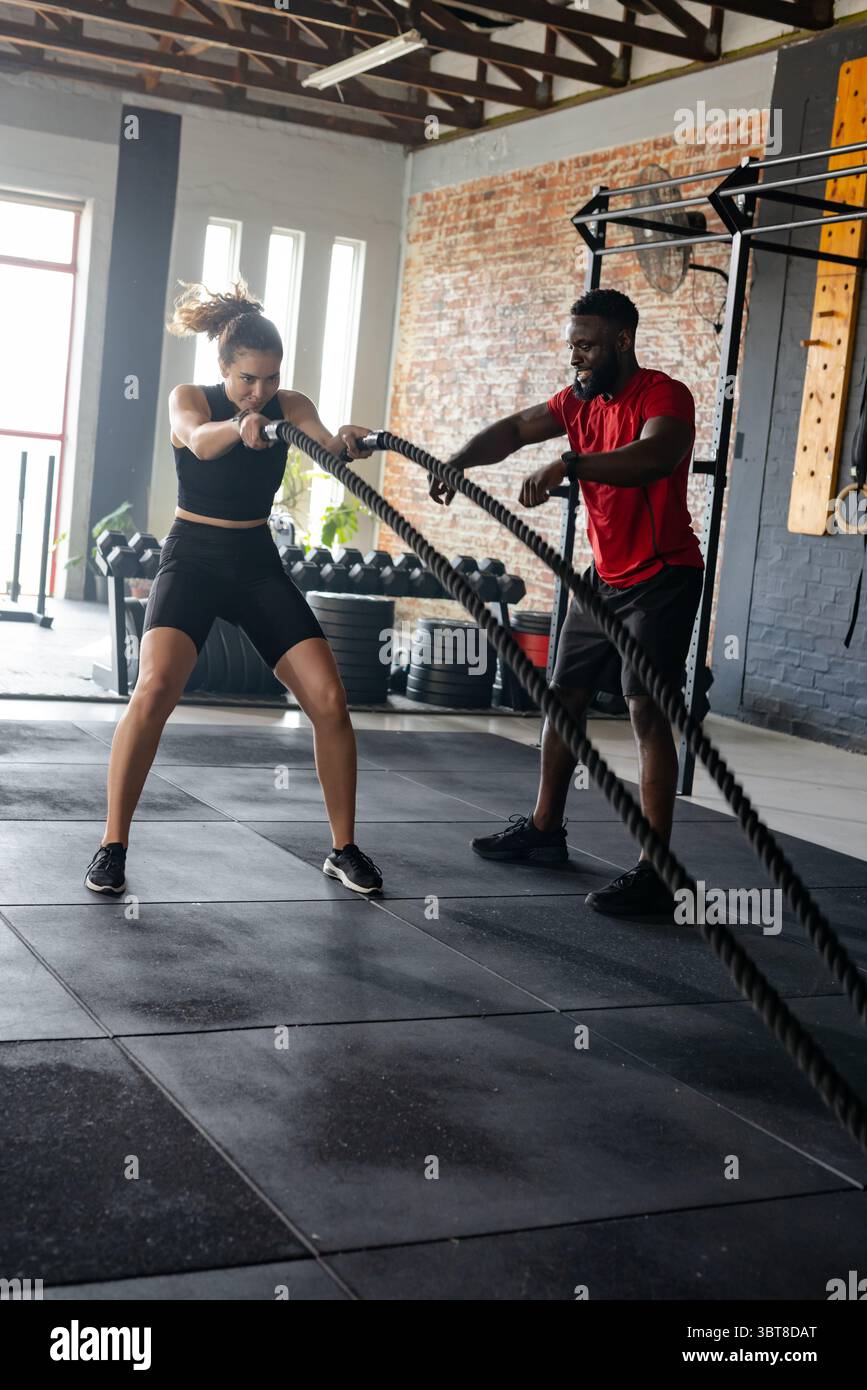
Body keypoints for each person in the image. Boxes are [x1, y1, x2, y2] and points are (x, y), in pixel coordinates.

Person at [84, 279, 383, 898]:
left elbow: (323, 444)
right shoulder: (190, 396)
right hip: (192, 556)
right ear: (225, 367)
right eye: (249, 379)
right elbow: (197, 439)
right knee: (156, 687)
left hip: (254, 563)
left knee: (330, 700)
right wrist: (241, 426)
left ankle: (343, 848)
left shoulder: (289, 404)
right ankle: (113, 843)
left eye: (270, 379)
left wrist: (346, 444)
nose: (262, 391)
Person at [430, 288, 703, 918]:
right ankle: (545, 829)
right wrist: (459, 461)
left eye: (586, 344)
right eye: (572, 344)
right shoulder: (576, 402)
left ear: (621, 342)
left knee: (646, 715)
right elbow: (516, 429)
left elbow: (655, 455)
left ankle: (657, 869)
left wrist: (568, 466)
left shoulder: (664, 394)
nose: (575, 356)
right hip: (603, 577)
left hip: (661, 577)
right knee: (563, 697)